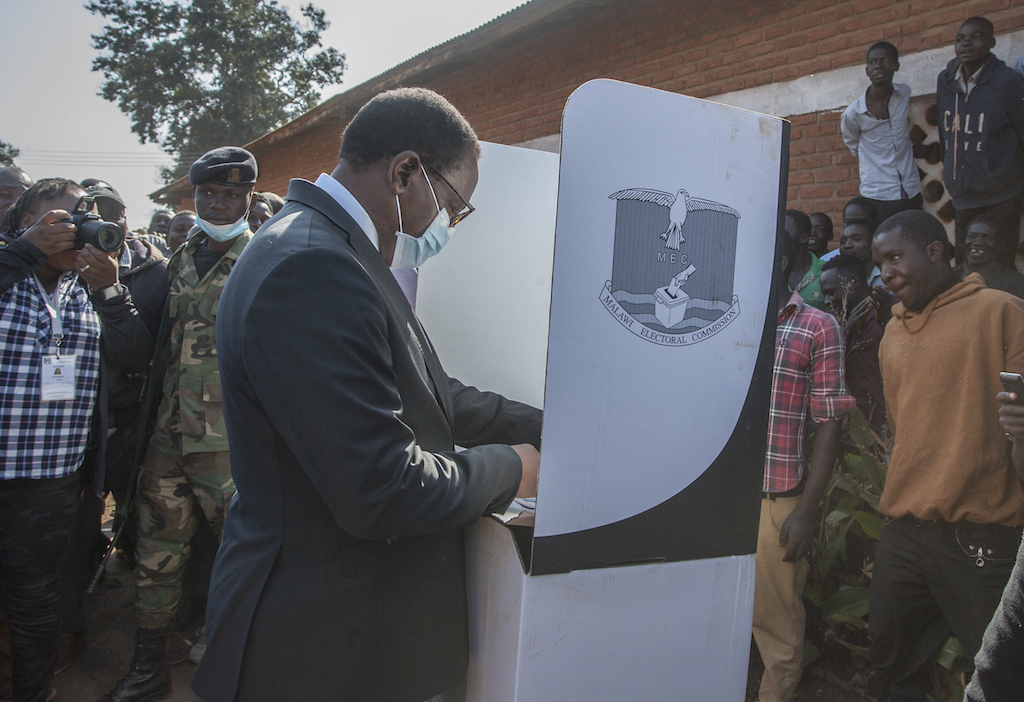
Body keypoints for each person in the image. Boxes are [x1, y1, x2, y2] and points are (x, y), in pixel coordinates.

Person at [191, 87, 542, 702]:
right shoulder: (313, 267)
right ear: (404, 173)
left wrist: (544, 423)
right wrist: (513, 468)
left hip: (336, 625)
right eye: (452, 206)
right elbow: (382, 490)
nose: (446, 227)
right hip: (322, 643)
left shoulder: (322, 247)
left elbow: (421, 391)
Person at [103, 147, 258, 702]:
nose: (217, 204)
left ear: (247, 199)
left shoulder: (263, 258)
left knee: (244, 556)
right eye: (208, 194)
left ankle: (242, 665)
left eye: (230, 195)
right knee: (157, 552)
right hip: (169, 438)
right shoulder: (180, 258)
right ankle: (148, 666)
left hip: (231, 444)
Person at [869, 210, 1024, 701]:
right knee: (890, 667)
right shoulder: (893, 333)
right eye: (879, 263)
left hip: (980, 533)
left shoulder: (1002, 311)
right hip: (904, 529)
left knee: (1001, 675)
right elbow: (902, 427)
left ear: (935, 251)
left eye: (895, 257)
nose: (885, 273)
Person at [0, 178, 103, 702]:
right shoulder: (7, 266)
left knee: (36, 597)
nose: (76, 232)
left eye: (83, 220)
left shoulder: (85, 287)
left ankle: (32, 692)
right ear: (27, 223)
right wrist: (22, 253)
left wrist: (112, 292)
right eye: (64, 220)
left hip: (51, 479)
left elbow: (133, 360)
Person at [753, 228, 855, 702]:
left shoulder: (817, 326)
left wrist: (806, 511)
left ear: (779, 263)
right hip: (718, 497)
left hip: (774, 500)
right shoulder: (724, 319)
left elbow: (830, 422)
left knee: (775, 621)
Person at [937, 16, 1024, 267]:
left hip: (1002, 195)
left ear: (992, 43)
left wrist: (1005, 174)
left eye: (976, 37)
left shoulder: (1007, 82)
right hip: (963, 194)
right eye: (960, 39)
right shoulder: (946, 82)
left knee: (1000, 265)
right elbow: (944, 134)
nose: (966, 43)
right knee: (966, 265)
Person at [842, 41, 926, 227]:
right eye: (872, 62)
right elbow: (854, 146)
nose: (878, 66)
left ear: (896, 65)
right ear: (867, 71)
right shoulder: (854, 113)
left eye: (885, 60)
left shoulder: (903, 93)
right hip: (878, 195)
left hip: (910, 189)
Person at [819, 254, 887, 438]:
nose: (827, 301)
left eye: (831, 292)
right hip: (846, 432)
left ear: (853, 282)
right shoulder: (832, 323)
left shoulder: (887, 308)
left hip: (884, 430)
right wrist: (846, 331)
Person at [959, 213, 1024, 298]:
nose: (978, 242)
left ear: (1000, 244)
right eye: (972, 236)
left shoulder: (1017, 283)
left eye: (987, 238)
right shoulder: (948, 277)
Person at [785, 209, 828, 311]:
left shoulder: (827, 272)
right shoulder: (771, 273)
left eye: (785, 233)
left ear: (803, 238)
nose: (779, 237)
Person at [838, 217, 884, 288]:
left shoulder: (888, 275)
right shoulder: (838, 278)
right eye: (843, 241)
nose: (847, 245)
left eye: (857, 239)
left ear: (874, 242)